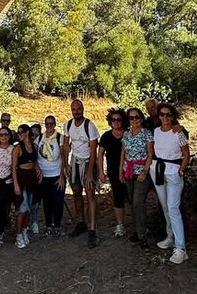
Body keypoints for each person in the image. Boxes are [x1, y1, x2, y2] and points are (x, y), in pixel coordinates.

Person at [149, 103, 190, 265]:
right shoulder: (156, 131)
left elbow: (186, 154)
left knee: (173, 207)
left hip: (173, 172)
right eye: (162, 114)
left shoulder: (178, 132)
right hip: (158, 170)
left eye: (168, 115)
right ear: (158, 116)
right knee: (165, 206)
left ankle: (181, 248)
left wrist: (181, 170)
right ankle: (170, 236)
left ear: (173, 116)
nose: (165, 117)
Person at [62, 99, 100, 248]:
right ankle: (81, 222)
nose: (76, 112)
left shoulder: (89, 126)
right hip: (75, 161)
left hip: (87, 161)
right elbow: (66, 145)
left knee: (90, 193)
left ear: (83, 109)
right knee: (76, 192)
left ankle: (92, 230)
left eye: (78, 109)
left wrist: (90, 172)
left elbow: (93, 150)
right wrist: (66, 164)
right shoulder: (68, 125)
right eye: (73, 109)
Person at [119, 108, 154, 248]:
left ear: (141, 118)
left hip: (141, 172)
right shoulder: (126, 134)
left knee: (138, 202)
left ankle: (141, 235)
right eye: (131, 118)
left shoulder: (147, 134)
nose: (134, 120)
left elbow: (150, 154)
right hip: (128, 171)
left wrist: (145, 171)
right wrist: (120, 171)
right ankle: (140, 229)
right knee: (132, 202)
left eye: (136, 117)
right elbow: (123, 153)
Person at [98, 108, 128, 238]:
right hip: (113, 171)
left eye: (119, 119)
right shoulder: (106, 136)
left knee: (134, 198)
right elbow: (100, 154)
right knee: (118, 197)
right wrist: (101, 172)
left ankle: (140, 225)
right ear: (110, 121)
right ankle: (120, 225)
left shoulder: (128, 134)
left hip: (129, 170)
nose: (116, 122)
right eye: (113, 120)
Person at [12, 124, 41, 249]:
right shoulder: (17, 148)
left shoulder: (34, 147)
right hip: (21, 178)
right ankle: (18, 235)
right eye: (18, 133)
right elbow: (13, 167)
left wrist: (38, 170)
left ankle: (24, 231)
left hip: (32, 178)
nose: (19, 135)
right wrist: (16, 185)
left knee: (29, 207)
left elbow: (35, 162)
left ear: (27, 132)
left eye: (21, 132)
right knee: (22, 209)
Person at [36, 115, 66, 236]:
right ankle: (48, 225)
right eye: (47, 124)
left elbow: (64, 158)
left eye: (51, 124)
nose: (49, 126)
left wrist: (62, 177)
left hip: (56, 174)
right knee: (47, 202)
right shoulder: (39, 139)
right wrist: (37, 168)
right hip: (44, 175)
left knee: (58, 201)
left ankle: (57, 225)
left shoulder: (59, 138)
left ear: (55, 124)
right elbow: (33, 155)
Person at [29, 123, 43, 233]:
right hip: (29, 174)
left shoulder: (42, 143)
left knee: (36, 200)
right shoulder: (27, 145)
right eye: (32, 133)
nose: (34, 135)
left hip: (39, 173)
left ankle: (34, 222)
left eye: (36, 133)